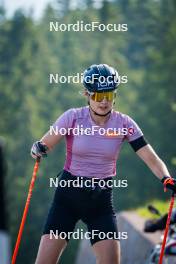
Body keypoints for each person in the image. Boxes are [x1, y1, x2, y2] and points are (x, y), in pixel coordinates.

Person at [31, 64, 176, 264]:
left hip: (100, 202)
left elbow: (150, 156)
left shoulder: (124, 123)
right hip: (68, 198)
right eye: (98, 96)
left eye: (108, 94)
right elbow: (44, 144)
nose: (104, 101)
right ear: (87, 95)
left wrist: (166, 178)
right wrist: (38, 149)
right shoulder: (73, 117)